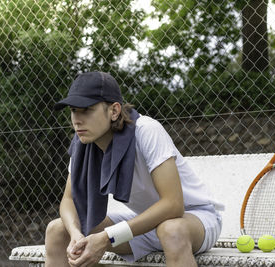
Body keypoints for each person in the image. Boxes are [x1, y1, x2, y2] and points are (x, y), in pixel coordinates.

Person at [45, 71, 223, 267]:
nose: (77, 120)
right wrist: (75, 234)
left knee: (171, 230)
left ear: (114, 110)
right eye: (73, 110)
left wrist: (107, 238)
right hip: (144, 224)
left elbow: (173, 205)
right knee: (57, 230)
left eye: (86, 110)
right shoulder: (83, 143)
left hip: (193, 220)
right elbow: (69, 200)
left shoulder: (146, 131)